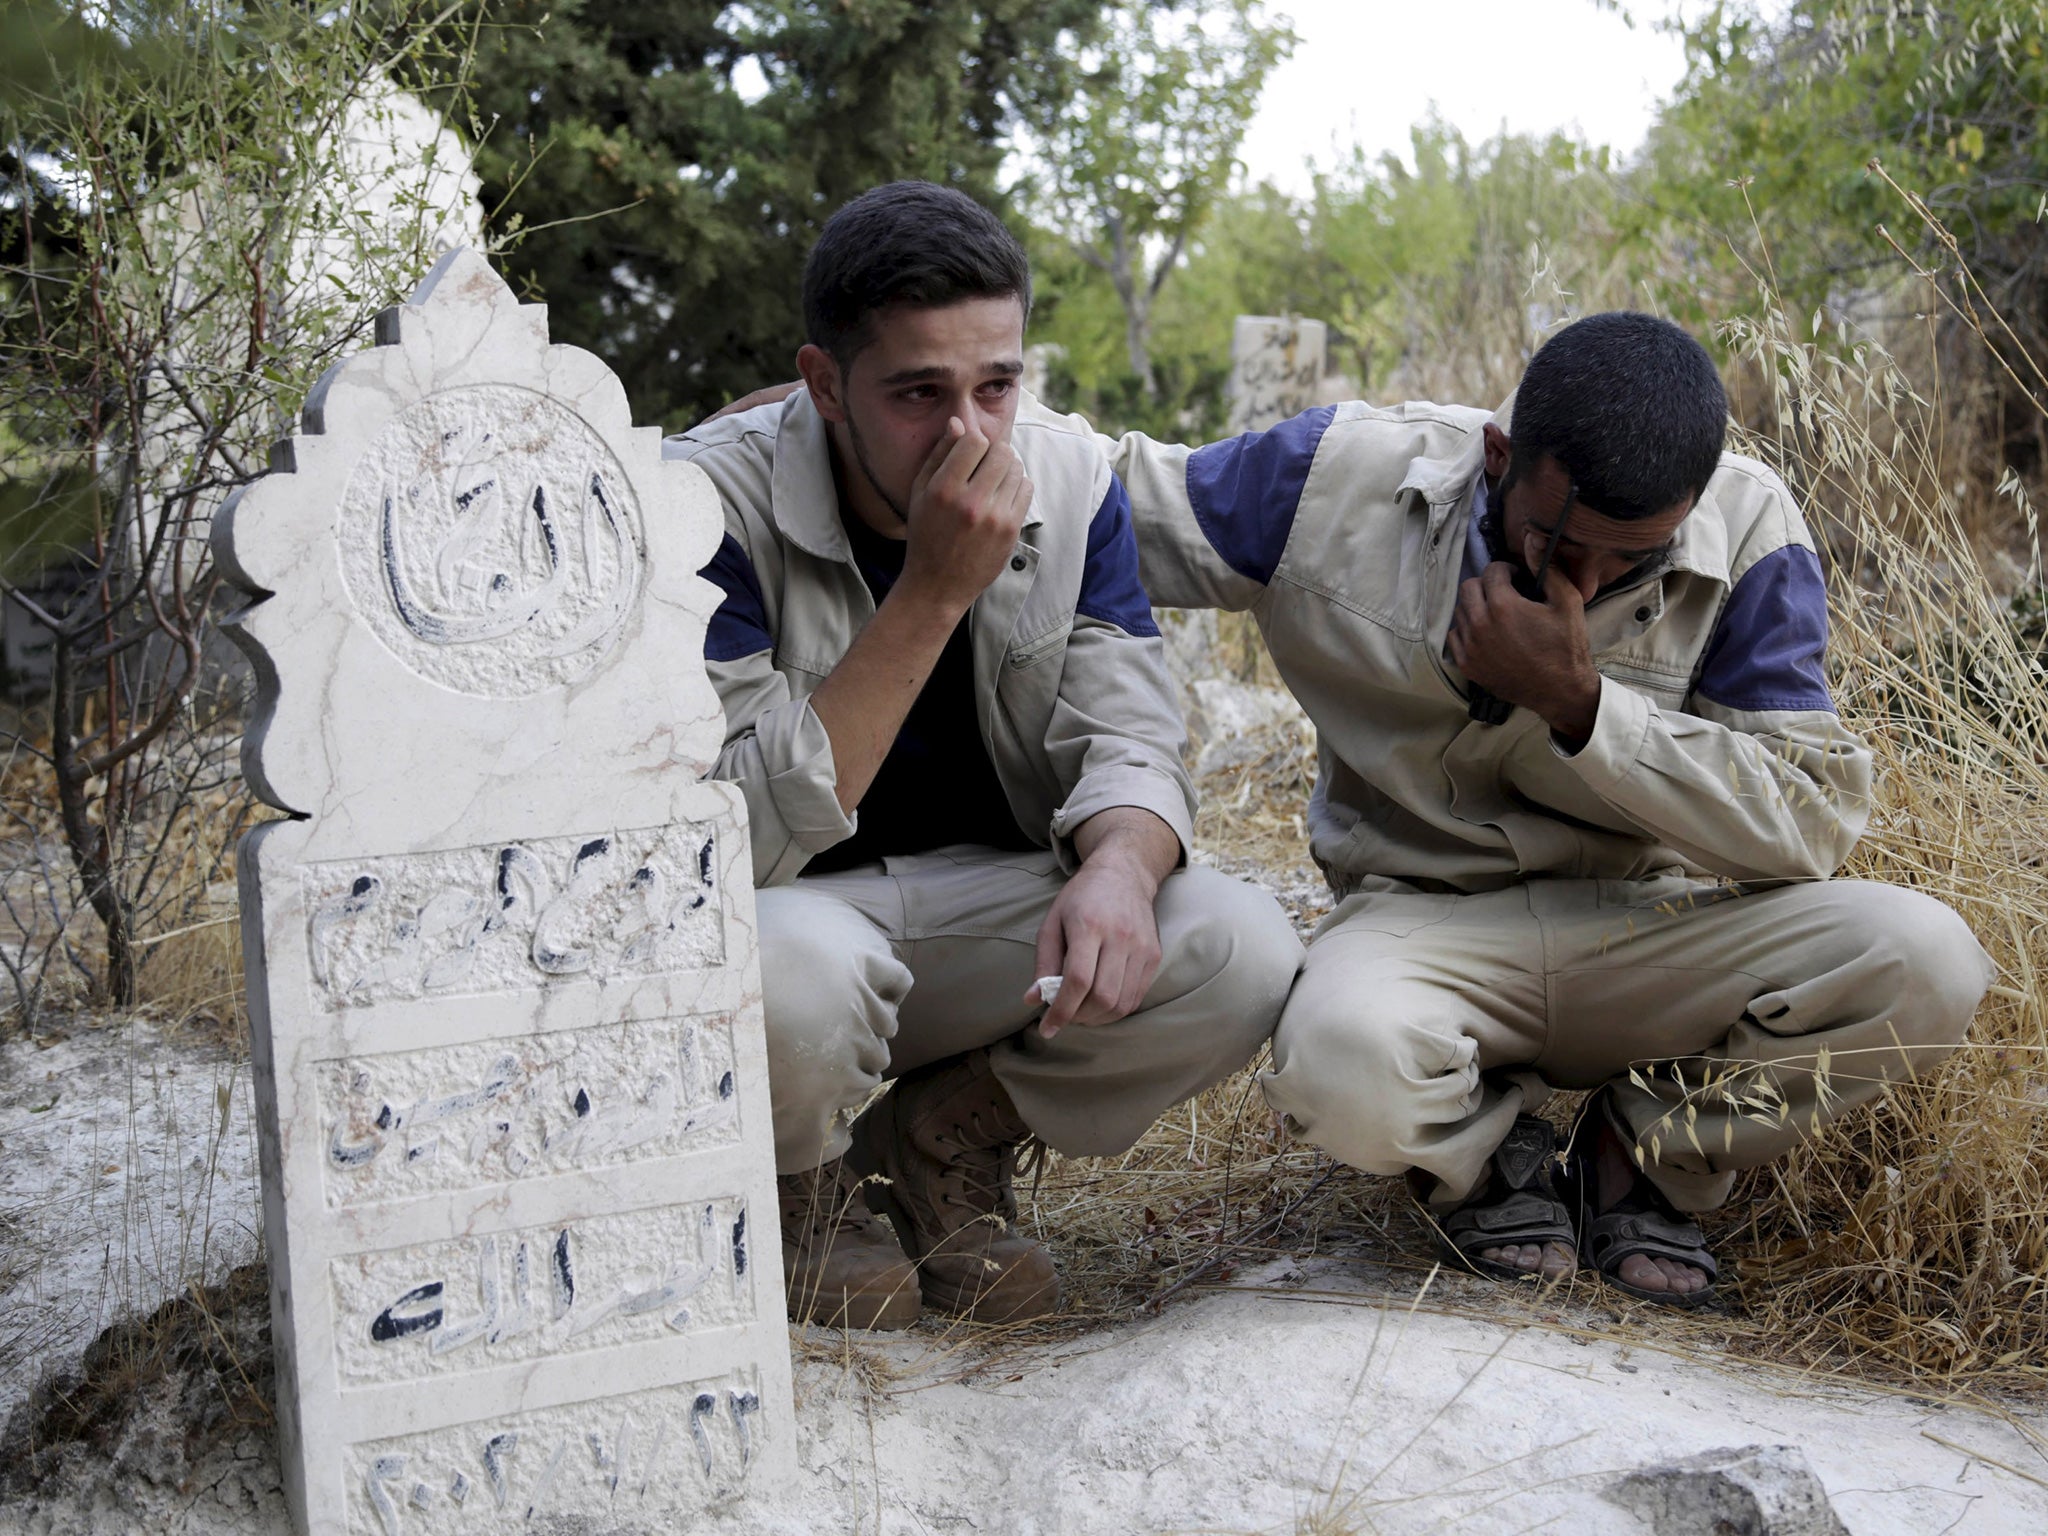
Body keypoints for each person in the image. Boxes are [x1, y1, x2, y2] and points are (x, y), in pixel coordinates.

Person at [1109, 311, 1992, 1305]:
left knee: (1927, 960)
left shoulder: (1748, 524)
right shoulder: (1335, 476)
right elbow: (1104, 499)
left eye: (1634, 559)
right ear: (1497, 456)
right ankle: (1488, 1164)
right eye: (1559, 542)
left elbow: (1809, 825)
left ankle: (1642, 1153)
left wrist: (1581, 706)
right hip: (1417, 922)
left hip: (1649, 924)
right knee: (1339, 1069)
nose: (1587, 581)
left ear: (1689, 503)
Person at [667, 182, 1302, 1331]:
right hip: (784, 921)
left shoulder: (1067, 476)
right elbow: (720, 844)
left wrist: (1116, 864)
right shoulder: (701, 506)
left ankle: (933, 1142)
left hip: (976, 916)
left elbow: (1133, 732)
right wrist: (930, 593)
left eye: (995, 386)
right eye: (917, 392)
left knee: (1238, 946)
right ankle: (796, 1178)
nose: (968, 433)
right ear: (823, 384)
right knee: (790, 975)